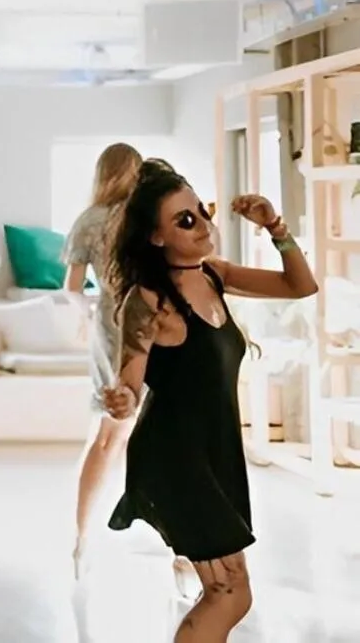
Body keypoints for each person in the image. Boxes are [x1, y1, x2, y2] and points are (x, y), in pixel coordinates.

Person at [102, 160, 317, 643]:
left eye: (202, 212)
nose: (203, 226)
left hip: (213, 454)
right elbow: (130, 383)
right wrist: (120, 398)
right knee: (229, 594)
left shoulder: (214, 275)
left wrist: (275, 227)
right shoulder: (149, 300)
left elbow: (301, 285)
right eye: (185, 220)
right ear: (156, 237)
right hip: (174, 458)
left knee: (229, 593)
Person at [63, 141, 142, 576]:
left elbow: (72, 289)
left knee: (106, 436)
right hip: (154, 326)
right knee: (145, 433)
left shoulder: (88, 222)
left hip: (109, 331)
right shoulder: (148, 217)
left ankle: (82, 537)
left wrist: (90, 312)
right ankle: (177, 545)